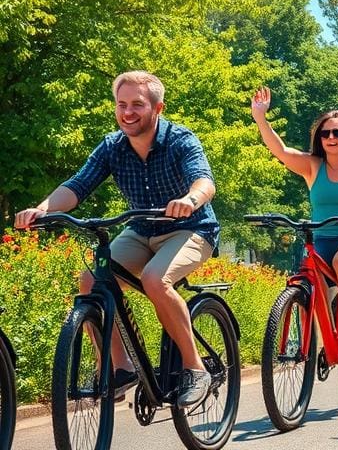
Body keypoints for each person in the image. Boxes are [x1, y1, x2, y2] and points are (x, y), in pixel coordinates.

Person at [15, 71, 219, 406]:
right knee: (91, 281)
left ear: (158, 107)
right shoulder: (113, 146)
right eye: (121, 104)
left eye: (137, 104)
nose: (127, 112)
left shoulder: (181, 140)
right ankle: (120, 366)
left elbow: (204, 181)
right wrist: (42, 210)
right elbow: (77, 185)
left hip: (191, 228)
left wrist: (190, 200)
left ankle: (195, 368)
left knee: (155, 279)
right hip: (141, 229)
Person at [251, 87, 338, 340]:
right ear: (320, 138)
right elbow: (281, 151)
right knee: (310, 280)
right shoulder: (313, 166)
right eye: (325, 133)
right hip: (321, 240)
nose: (331, 137)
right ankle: (321, 341)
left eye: (337, 132)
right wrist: (260, 118)